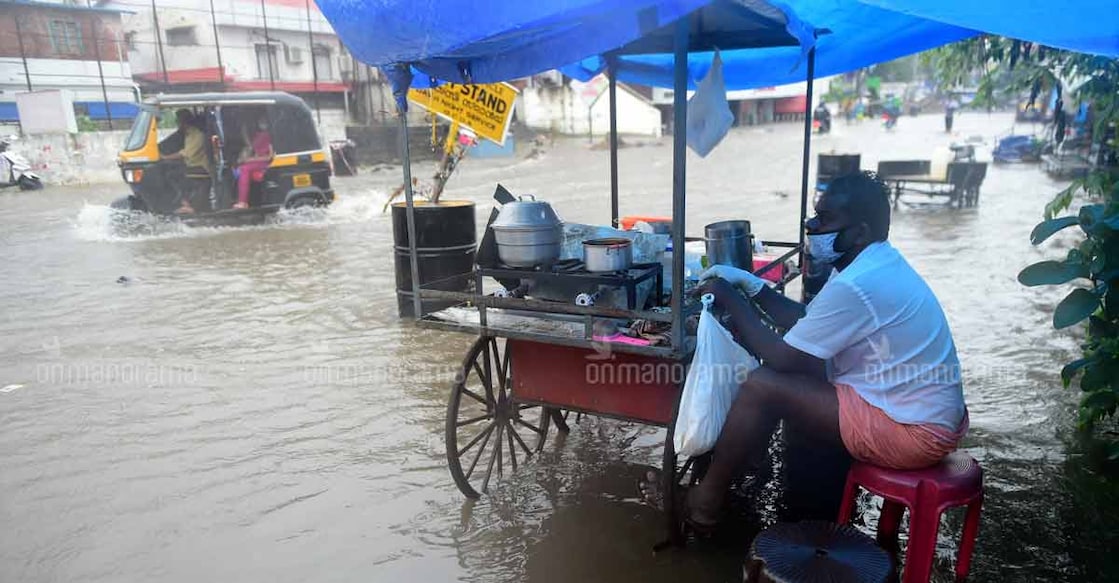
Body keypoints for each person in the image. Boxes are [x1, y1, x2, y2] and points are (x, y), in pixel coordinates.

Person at [685, 171, 968, 530]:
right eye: (815, 216)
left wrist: (728, 296)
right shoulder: (870, 261)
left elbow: (782, 356)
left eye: (827, 219)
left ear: (860, 231)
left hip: (914, 432)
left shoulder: (858, 282)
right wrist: (753, 287)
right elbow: (809, 321)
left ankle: (706, 501)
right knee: (794, 375)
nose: (814, 226)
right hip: (920, 411)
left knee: (763, 385)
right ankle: (745, 472)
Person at [161, 109, 211, 214]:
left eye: (178, 121)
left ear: (184, 121)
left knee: (174, 175)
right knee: (170, 171)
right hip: (191, 164)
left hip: (201, 166)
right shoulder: (187, 133)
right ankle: (183, 202)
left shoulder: (197, 134)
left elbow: (187, 153)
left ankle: (187, 205)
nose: (177, 123)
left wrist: (166, 158)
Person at [233, 115, 274, 210]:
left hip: (264, 163)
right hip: (257, 162)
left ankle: (243, 201)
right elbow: (252, 149)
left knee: (244, 169)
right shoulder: (258, 135)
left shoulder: (269, 136)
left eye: (264, 122)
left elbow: (269, 157)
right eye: (261, 122)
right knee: (241, 168)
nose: (262, 124)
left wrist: (250, 160)